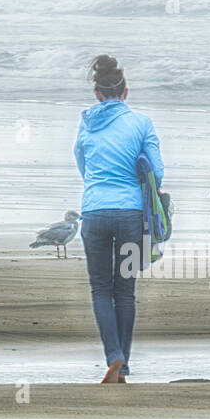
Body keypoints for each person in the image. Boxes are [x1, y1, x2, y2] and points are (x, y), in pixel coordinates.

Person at [73, 54, 165, 383]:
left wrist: (101, 188)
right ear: (126, 92)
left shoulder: (86, 124)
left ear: (97, 94)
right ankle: (122, 366)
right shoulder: (142, 124)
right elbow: (158, 173)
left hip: (94, 212)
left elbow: (83, 167)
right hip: (130, 215)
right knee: (124, 291)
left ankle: (113, 357)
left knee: (100, 289)